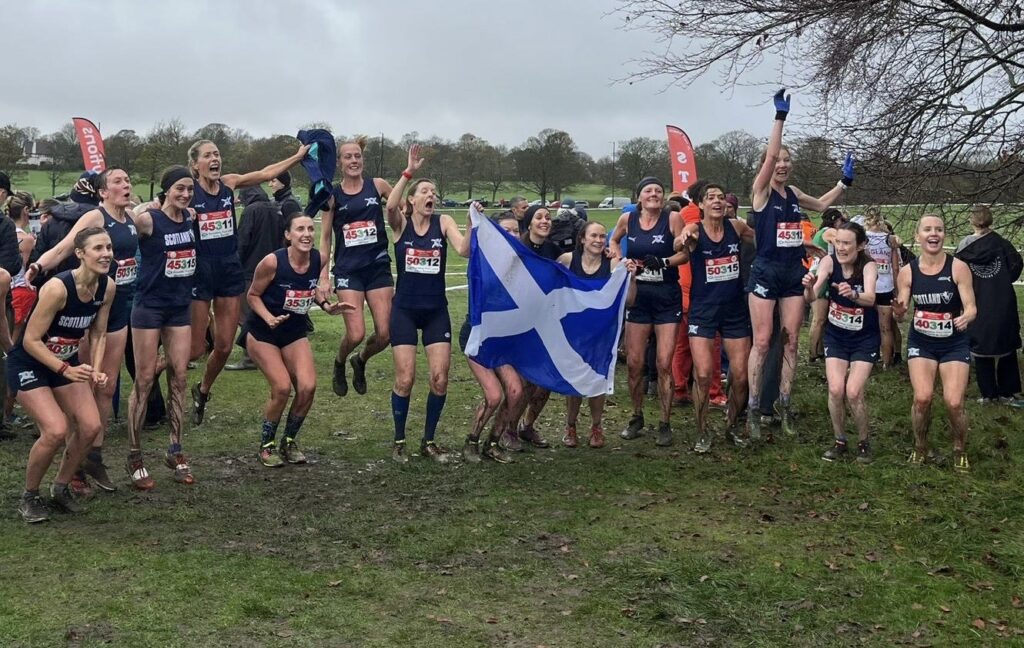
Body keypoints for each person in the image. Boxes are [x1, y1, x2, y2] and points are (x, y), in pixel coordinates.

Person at [27, 168, 140, 494]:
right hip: (90, 308)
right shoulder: (95, 216)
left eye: (127, 180)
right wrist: (38, 265)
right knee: (84, 384)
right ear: (103, 192)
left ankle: (93, 455)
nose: (126, 184)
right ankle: (73, 465)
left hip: (118, 306)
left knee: (107, 385)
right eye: (118, 181)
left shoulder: (132, 218)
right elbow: (65, 247)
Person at [746, 89, 848, 440]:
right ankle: (753, 408)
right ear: (768, 164)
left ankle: (784, 404)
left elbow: (820, 205)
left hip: (792, 271)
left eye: (788, 161)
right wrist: (780, 118)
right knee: (762, 342)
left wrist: (843, 182)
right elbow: (771, 154)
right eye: (778, 160)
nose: (783, 164)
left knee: (791, 342)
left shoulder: (793, 194)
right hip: (765, 270)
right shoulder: (761, 191)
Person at [187, 139, 309, 426]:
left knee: (224, 346)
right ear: (195, 164)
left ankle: (203, 390)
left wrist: (297, 156)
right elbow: (160, 208)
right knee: (195, 350)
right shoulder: (188, 191)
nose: (215, 159)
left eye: (217, 154)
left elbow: (267, 173)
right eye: (208, 155)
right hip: (201, 272)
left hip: (229, 271)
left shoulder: (228, 183)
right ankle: (154, 370)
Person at [10, 227, 114, 523]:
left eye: (108, 247)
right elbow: (30, 341)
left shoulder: (107, 287)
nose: (106, 254)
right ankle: (29, 495)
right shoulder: (57, 288)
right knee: (55, 430)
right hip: (30, 363)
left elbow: (99, 333)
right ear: (80, 253)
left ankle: (60, 487)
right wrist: (66, 368)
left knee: (91, 427)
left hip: (66, 363)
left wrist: (95, 369)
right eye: (98, 248)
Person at [383, 145, 471, 462]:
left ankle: (429, 440)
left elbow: (464, 250)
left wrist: (471, 223)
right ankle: (399, 440)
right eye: (424, 191)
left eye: (433, 192)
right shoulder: (401, 225)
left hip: (435, 311)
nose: (431, 195)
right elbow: (390, 205)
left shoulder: (443, 221)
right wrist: (409, 173)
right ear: (412, 200)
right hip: (404, 311)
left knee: (439, 379)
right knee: (405, 379)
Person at [245, 211, 351, 467]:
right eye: (300, 229)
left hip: (294, 331)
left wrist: (326, 305)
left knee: (307, 387)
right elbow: (252, 295)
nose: (306, 234)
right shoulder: (272, 262)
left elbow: (309, 287)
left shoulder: (319, 258)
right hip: (263, 332)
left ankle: (289, 441)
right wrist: (269, 318)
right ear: (288, 235)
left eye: (310, 229)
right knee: (282, 388)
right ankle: (266, 446)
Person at [125, 166, 199, 489]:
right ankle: (134, 455)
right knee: (144, 380)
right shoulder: (150, 220)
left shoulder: (190, 218)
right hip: (149, 308)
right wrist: (146, 206)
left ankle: (175, 449)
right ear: (167, 189)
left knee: (179, 377)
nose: (185, 194)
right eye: (179, 188)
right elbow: (126, 218)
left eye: (189, 189)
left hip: (179, 308)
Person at [674, 184, 756, 452]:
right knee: (703, 374)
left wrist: (799, 244)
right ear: (701, 204)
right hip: (703, 311)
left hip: (734, 311)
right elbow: (680, 243)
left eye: (721, 197)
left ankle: (732, 426)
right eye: (711, 198)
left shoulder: (737, 227)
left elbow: (765, 240)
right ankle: (702, 430)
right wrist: (683, 237)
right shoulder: (695, 229)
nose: (717, 201)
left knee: (741, 376)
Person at [894, 215, 977, 472]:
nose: (934, 234)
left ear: (944, 236)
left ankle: (959, 448)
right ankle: (920, 445)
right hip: (922, 342)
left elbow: (971, 307)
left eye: (939, 230)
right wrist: (898, 311)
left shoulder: (958, 268)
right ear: (917, 236)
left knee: (954, 402)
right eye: (928, 229)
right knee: (922, 398)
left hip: (954, 343)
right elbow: (901, 310)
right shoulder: (908, 272)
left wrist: (967, 316)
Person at [315, 136, 395, 399]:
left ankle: (359, 361)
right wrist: (323, 276)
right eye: (348, 157)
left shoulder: (378, 185)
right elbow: (325, 238)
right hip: (348, 270)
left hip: (378, 267)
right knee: (356, 333)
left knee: (385, 334)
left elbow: (400, 207)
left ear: (363, 160)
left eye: (357, 156)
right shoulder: (332, 195)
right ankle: (339, 362)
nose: (353, 161)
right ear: (339, 162)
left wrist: (408, 176)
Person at [610, 176, 685, 446]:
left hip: (666, 298)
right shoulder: (627, 219)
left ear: (663, 196)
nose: (654, 194)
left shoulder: (673, 218)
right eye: (648, 190)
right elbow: (614, 241)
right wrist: (620, 261)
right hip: (638, 297)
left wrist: (664, 262)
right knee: (634, 363)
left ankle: (665, 423)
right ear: (639, 197)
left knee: (663, 363)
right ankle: (636, 416)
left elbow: (685, 253)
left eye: (658, 190)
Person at [802, 222, 879, 463]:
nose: (841, 248)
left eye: (847, 243)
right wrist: (808, 287)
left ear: (860, 245)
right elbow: (812, 296)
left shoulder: (868, 266)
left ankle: (864, 442)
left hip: (864, 338)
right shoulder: (829, 262)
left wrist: (854, 294)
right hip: (836, 336)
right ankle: (840, 441)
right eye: (838, 243)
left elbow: (870, 298)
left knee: (853, 392)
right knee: (836, 389)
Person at [556, 221, 633, 448]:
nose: (599, 240)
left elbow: (629, 300)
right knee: (575, 380)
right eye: (594, 236)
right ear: (582, 239)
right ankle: (570, 425)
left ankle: (596, 426)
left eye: (602, 236)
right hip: (574, 331)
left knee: (597, 379)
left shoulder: (613, 264)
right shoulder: (567, 260)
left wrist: (631, 277)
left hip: (601, 332)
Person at [460, 213, 522, 464]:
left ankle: (493, 442)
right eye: (506, 230)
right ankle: (471, 441)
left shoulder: (522, 264)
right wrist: (472, 221)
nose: (513, 235)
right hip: (477, 336)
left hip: (502, 338)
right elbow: (467, 249)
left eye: (516, 231)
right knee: (494, 395)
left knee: (515, 391)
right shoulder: (481, 260)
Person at [955, 204, 1024, 406]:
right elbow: (1016, 265)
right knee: (1006, 343)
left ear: (971, 221)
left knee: (980, 344)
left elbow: (957, 272)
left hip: (975, 299)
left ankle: (988, 394)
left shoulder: (964, 247)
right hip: (1001, 299)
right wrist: (1002, 280)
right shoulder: (1002, 244)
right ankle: (1008, 392)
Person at [227, 185, 286, 371]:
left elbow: (242, 241)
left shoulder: (251, 211)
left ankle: (250, 357)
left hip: (250, 271)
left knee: (246, 315)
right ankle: (273, 352)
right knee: (267, 313)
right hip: (274, 270)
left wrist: (234, 266)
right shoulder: (276, 208)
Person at [5, 192, 37, 429]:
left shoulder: (7, 232)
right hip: (18, 293)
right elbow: (22, 270)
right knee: (12, 351)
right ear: (26, 211)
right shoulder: (25, 239)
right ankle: (7, 410)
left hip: (7, 292)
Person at [863, 206, 902, 368]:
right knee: (886, 328)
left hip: (868, 285)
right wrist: (897, 289)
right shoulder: (890, 239)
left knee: (868, 326)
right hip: (886, 286)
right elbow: (895, 267)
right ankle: (886, 363)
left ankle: (868, 360)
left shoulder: (862, 238)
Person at [808, 208, 846, 361]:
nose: (843, 224)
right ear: (835, 220)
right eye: (842, 220)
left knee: (822, 319)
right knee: (819, 319)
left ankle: (819, 350)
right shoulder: (829, 231)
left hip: (820, 272)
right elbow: (842, 242)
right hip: (821, 275)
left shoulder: (820, 232)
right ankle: (812, 353)